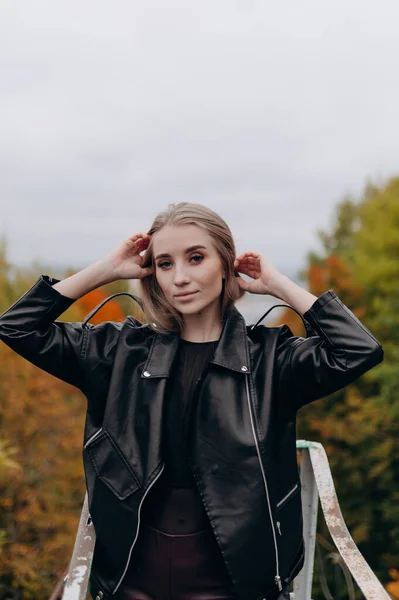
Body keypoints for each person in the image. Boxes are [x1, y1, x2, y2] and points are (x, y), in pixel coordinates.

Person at [0, 202, 383, 600]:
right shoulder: (119, 353)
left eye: (196, 258)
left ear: (225, 264)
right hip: (131, 576)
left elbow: (357, 350)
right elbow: (18, 326)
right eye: (165, 264)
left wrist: (277, 283)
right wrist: (107, 269)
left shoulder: (271, 360)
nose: (180, 277)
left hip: (235, 581)